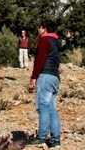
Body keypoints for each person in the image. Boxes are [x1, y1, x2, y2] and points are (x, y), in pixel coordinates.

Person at [28, 20, 61, 148]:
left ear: (44, 28)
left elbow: (40, 60)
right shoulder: (56, 41)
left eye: (39, 28)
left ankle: (41, 137)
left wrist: (33, 77)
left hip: (45, 76)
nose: (38, 31)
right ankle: (55, 139)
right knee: (51, 108)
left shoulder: (44, 40)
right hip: (55, 77)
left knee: (43, 107)